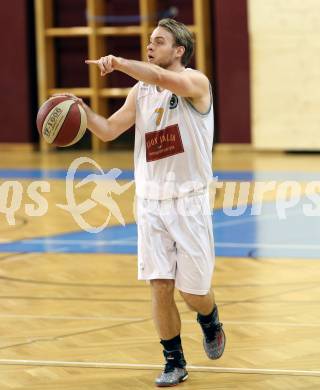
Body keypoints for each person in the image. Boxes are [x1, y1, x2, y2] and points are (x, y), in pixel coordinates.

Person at [63, 18, 225, 387]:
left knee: (193, 292)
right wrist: (81, 111)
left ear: (178, 50)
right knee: (160, 285)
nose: (150, 46)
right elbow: (108, 130)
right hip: (150, 201)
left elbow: (165, 80)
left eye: (159, 41)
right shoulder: (141, 91)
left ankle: (209, 316)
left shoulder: (196, 83)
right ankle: (174, 361)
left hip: (189, 201)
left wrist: (118, 63)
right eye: (150, 41)